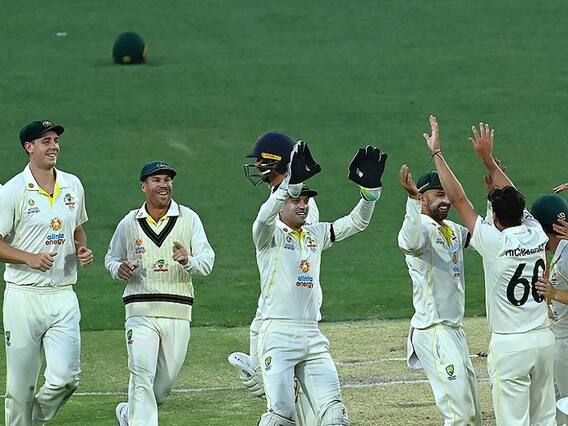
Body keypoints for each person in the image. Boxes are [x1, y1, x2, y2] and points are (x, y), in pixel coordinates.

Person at [425, 115, 556, 425]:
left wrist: (436, 152)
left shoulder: (494, 243)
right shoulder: (536, 232)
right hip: (543, 340)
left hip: (510, 346)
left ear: (495, 219)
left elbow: (458, 198)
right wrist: (488, 161)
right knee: (545, 420)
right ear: (522, 213)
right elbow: (513, 195)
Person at [254, 141, 387, 426]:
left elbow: (357, 223)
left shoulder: (316, 233)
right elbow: (263, 218)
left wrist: (369, 196)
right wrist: (288, 187)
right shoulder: (268, 236)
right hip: (278, 334)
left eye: (305, 200)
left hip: (312, 335)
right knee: (280, 416)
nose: (302, 205)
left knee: (335, 414)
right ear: (282, 203)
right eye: (296, 200)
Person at [104, 160, 215, 426]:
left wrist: (188, 260)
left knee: (161, 388)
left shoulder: (189, 218)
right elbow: (111, 258)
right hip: (140, 311)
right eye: (156, 180)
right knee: (141, 375)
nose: (163, 185)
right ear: (144, 186)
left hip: (178, 312)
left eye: (167, 179)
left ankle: (128, 413)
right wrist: (119, 269)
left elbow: (207, 262)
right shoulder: (129, 222)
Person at [0, 120, 94, 425]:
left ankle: (31, 420)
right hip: (24, 297)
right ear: (29, 147)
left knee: (67, 378)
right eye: (46, 141)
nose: (54, 146)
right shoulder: (13, 190)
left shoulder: (73, 185)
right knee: (21, 387)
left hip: (63, 294)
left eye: (55, 140)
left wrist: (82, 249)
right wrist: (28, 258)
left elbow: (77, 229)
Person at [232, 131, 319, 425]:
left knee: (290, 393)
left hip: (292, 313)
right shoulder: (278, 196)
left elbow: (303, 250)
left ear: (278, 163)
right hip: (272, 306)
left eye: (262, 161)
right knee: (272, 384)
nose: (257, 166)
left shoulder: (301, 202)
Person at [398, 166, 481, 426]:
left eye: (447, 195)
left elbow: (485, 236)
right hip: (433, 330)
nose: (445, 201)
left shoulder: (453, 229)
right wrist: (412, 201)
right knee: (460, 415)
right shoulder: (420, 228)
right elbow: (409, 243)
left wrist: (495, 194)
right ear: (423, 197)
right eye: (438, 194)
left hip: (454, 330)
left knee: (473, 413)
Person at [531, 194, 568, 425]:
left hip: (566, 345)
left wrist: (553, 294)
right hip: (558, 342)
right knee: (553, 411)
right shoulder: (562, 253)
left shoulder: (565, 259)